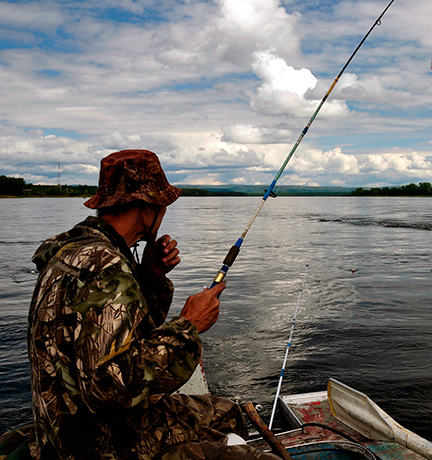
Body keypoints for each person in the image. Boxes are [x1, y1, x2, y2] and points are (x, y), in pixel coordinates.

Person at [23, 149, 280, 460]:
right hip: (100, 445)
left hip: (63, 433)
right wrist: (189, 325)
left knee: (227, 412)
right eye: (163, 205)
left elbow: (116, 338)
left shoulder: (72, 252)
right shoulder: (108, 269)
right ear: (148, 207)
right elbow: (111, 391)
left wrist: (150, 276)